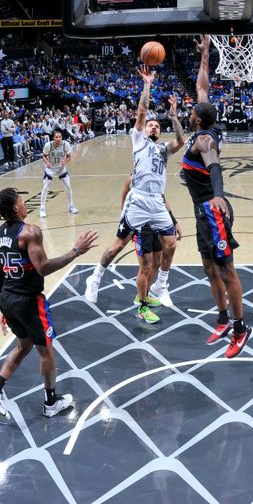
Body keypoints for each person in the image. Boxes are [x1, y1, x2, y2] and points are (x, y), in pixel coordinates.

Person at [0, 187, 99, 419]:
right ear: (16, 207)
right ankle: (50, 402)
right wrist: (75, 251)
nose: (25, 203)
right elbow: (43, 268)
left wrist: (2, 309)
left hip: (7, 298)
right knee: (46, 353)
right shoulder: (30, 232)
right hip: (28, 301)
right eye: (22, 200)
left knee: (23, 346)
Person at [85, 68, 185, 323]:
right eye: (150, 124)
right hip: (138, 200)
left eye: (156, 125)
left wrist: (173, 116)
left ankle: (161, 285)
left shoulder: (163, 150)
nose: (153, 126)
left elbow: (181, 140)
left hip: (156, 201)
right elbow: (142, 111)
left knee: (171, 243)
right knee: (119, 245)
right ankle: (95, 277)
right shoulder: (138, 141)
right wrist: (147, 85)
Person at [180, 35, 251, 358]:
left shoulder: (205, 141)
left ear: (196, 118)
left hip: (213, 209)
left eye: (193, 109)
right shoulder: (204, 125)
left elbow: (215, 167)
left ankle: (240, 327)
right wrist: (205, 55)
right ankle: (222, 317)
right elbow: (203, 88)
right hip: (200, 210)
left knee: (227, 271)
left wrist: (220, 196)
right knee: (209, 269)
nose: (192, 106)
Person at [39, 130, 79, 217]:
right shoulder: (48, 145)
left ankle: (71, 206)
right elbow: (44, 156)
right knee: (45, 187)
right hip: (50, 168)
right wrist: (47, 163)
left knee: (68, 186)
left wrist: (65, 162)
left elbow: (69, 156)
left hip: (61, 167)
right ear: (53, 138)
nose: (58, 139)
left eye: (60, 137)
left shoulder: (66, 144)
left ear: (62, 138)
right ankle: (42, 208)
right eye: (56, 137)